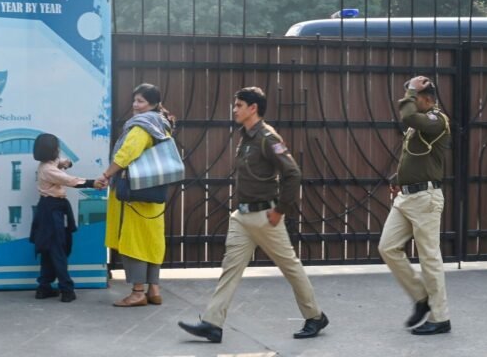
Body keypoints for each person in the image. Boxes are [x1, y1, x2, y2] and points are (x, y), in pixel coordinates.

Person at [178, 87, 328, 343]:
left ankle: (315, 316)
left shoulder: (268, 138)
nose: (234, 109)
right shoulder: (245, 137)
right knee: (230, 269)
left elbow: (293, 174)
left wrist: (280, 210)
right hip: (242, 217)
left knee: (290, 267)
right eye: (235, 105)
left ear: (253, 108)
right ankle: (213, 324)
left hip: (265, 216)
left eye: (238, 105)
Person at [378, 75, 452, 335]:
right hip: (406, 197)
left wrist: (410, 91)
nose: (411, 101)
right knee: (387, 247)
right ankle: (421, 298)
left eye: (415, 98)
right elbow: (416, 157)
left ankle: (440, 317)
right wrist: (398, 177)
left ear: (428, 99)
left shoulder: (437, 120)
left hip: (425, 199)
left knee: (429, 258)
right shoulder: (420, 124)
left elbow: (408, 116)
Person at [98, 83, 175, 307]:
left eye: (140, 101)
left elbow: (126, 154)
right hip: (154, 192)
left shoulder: (142, 127)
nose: (135, 105)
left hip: (136, 194)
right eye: (134, 100)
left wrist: (107, 174)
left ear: (152, 104)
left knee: (134, 241)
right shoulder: (162, 124)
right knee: (152, 240)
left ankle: (137, 292)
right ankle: (154, 288)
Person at [31, 133, 103, 303]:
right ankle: (66, 289)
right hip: (52, 210)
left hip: (52, 208)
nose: (58, 150)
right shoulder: (48, 170)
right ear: (51, 150)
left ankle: (44, 287)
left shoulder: (48, 164)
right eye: (56, 147)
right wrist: (93, 183)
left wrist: (66, 163)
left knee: (50, 249)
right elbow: (71, 181)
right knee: (58, 249)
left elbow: (61, 162)